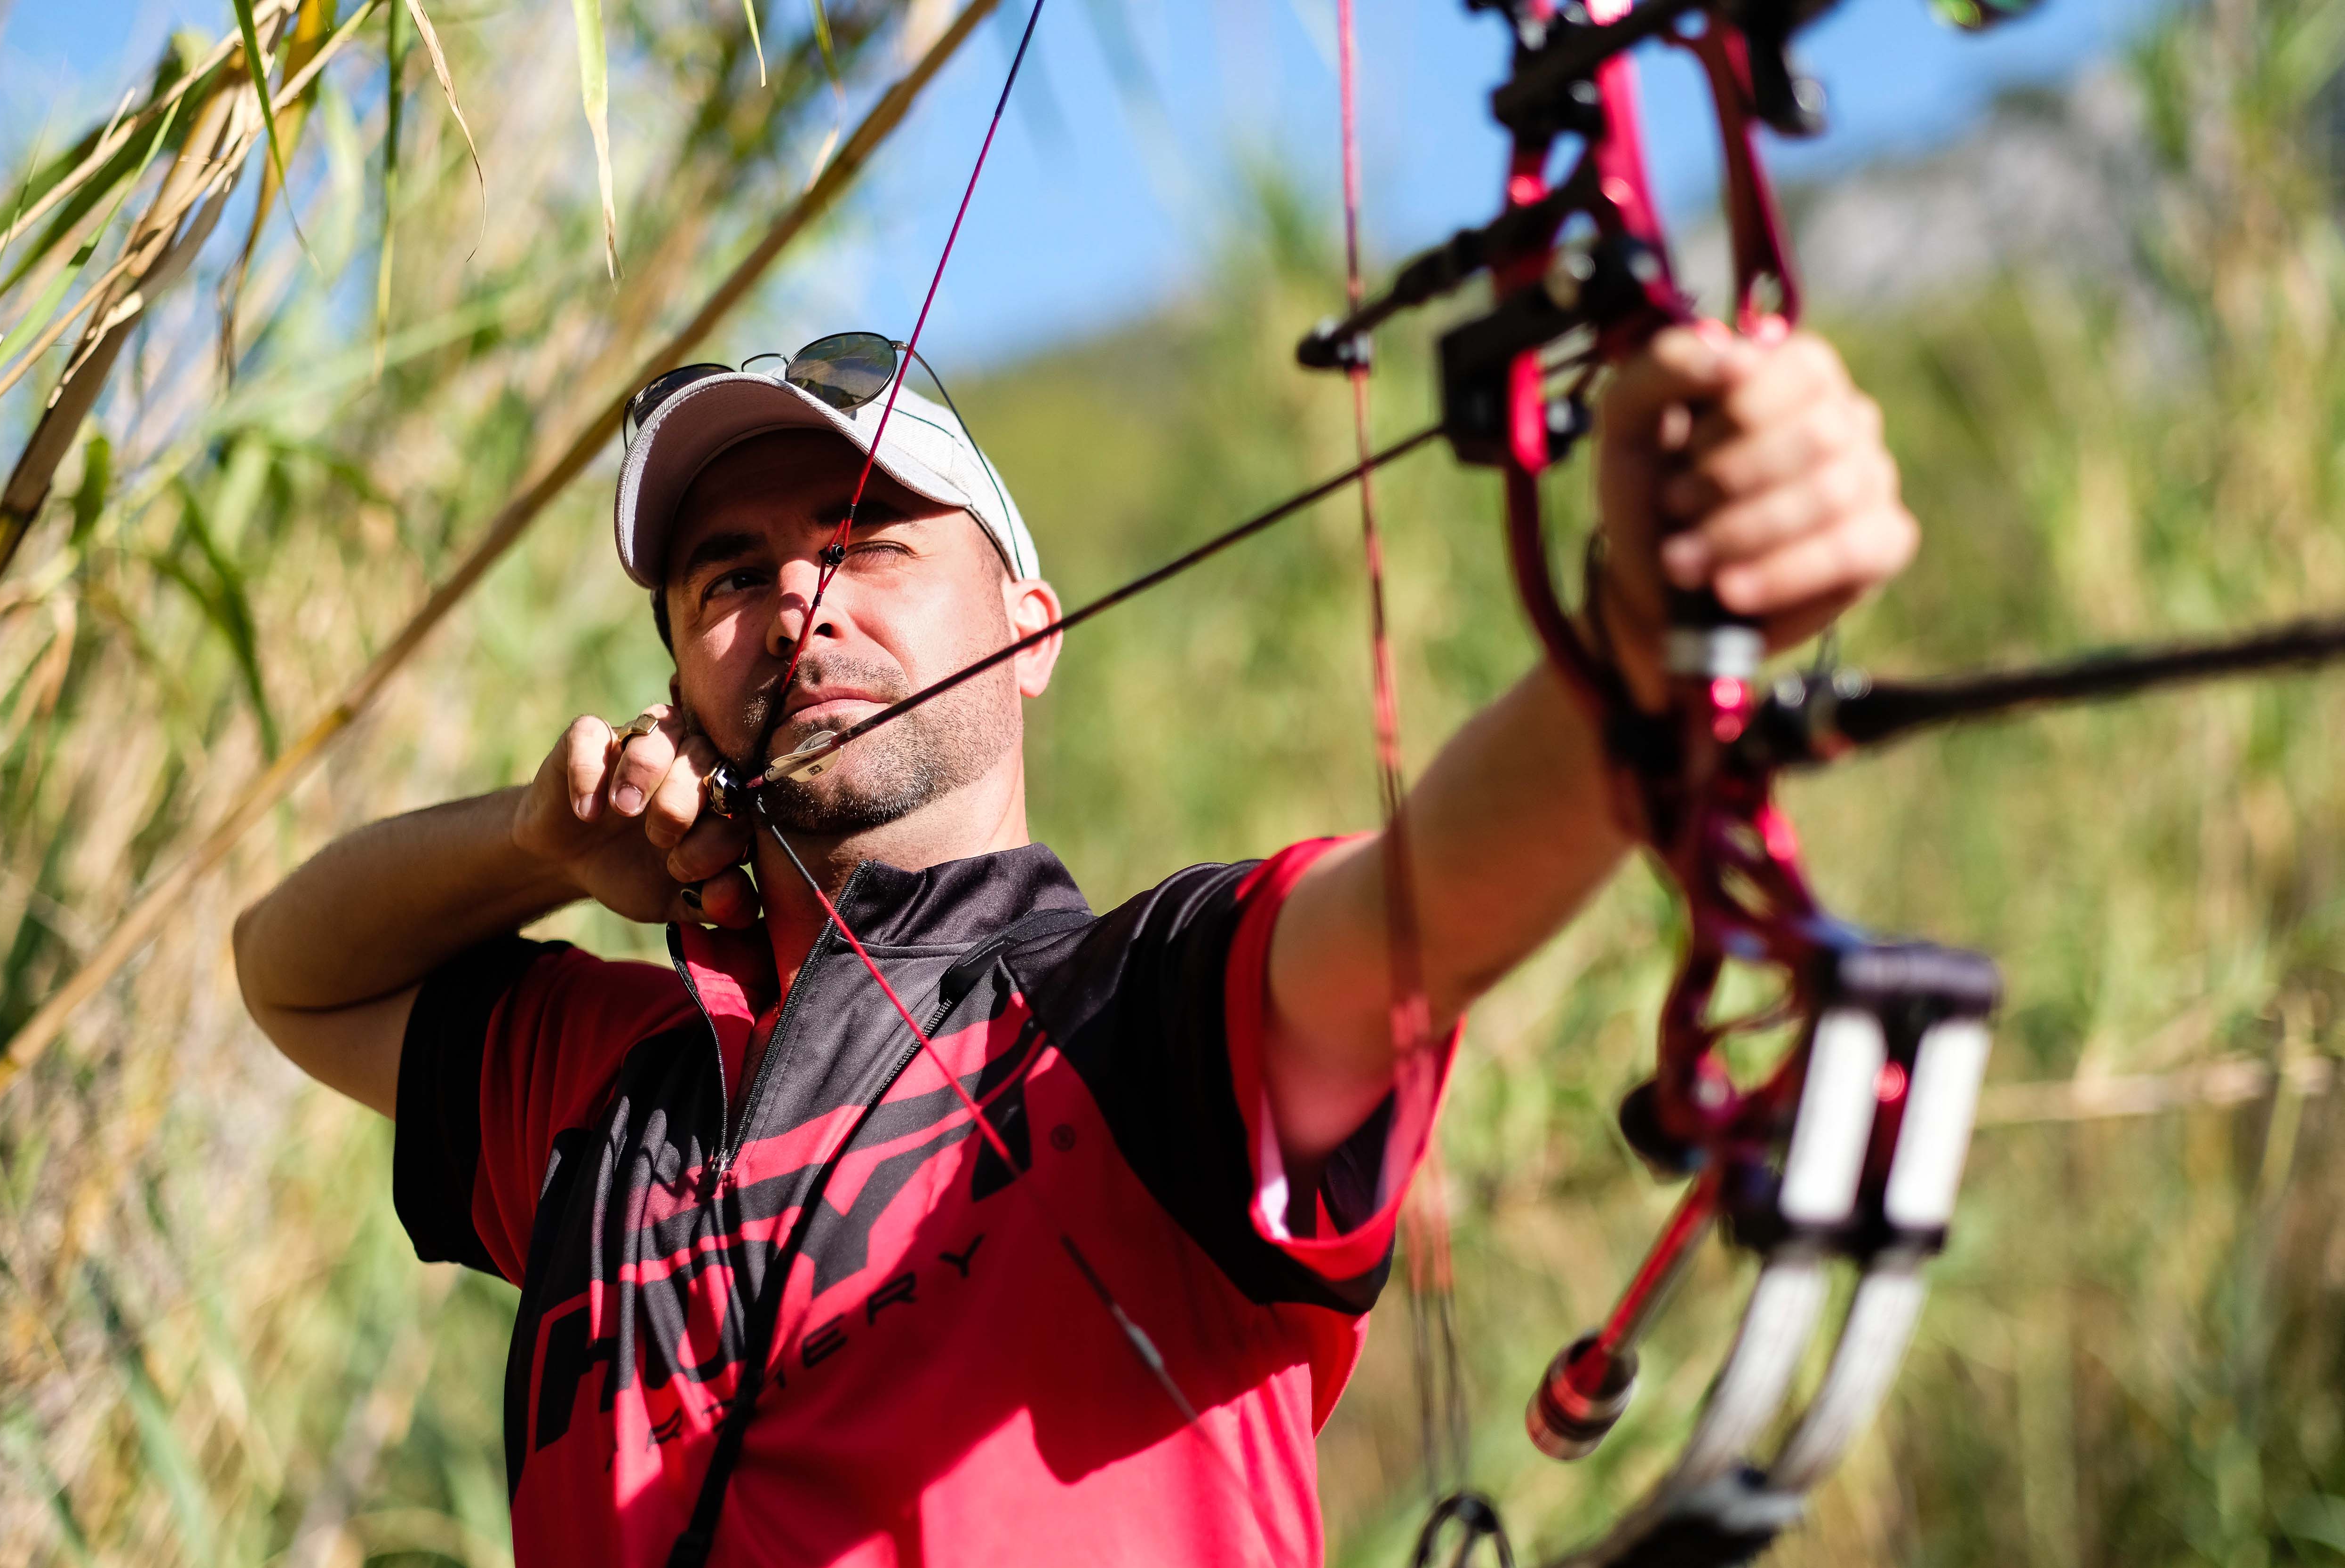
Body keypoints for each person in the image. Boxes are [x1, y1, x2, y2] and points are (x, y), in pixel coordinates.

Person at [234, 324, 1916, 1568]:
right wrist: (536, 846)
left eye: (863, 541)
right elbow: (293, 971)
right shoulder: (612, 1087)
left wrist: (1653, 631)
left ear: (1029, 634)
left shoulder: (1145, 1018)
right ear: (682, 680)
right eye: (725, 578)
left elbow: (1427, 908)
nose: (798, 607)